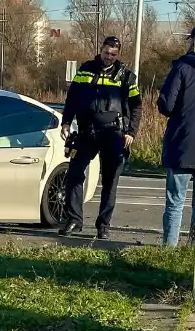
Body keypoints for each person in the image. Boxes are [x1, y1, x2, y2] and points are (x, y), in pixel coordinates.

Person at [58, 36, 143, 239]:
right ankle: (74, 221)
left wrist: (131, 132)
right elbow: (72, 99)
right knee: (74, 174)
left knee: (110, 181)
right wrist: (66, 122)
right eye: (106, 53)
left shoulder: (126, 76)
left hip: (114, 134)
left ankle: (103, 226)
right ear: (101, 50)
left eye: (113, 54)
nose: (109, 57)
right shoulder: (86, 70)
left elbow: (136, 106)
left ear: (118, 54)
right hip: (87, 132)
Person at [159, 24, 195, 247]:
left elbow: (167, 105)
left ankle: (169, 249)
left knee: (175, 201)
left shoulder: (181, 67)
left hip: (181, 142)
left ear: (193, 42)